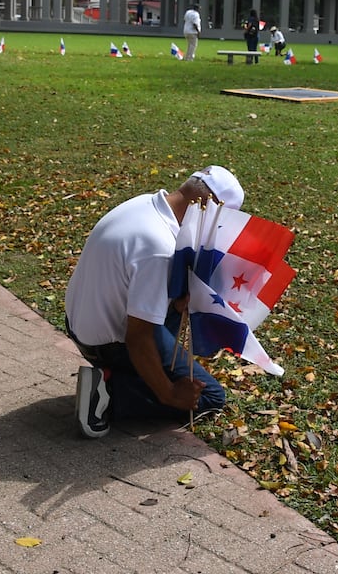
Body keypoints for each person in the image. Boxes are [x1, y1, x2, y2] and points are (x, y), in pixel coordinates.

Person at [64, 165, 244, 438]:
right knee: (210, 397)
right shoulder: (159, 249)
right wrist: (171, 394)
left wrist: (177, 301)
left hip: (80, 321)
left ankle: (130, 376)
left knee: (175, 309)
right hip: (106, 344)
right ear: (207, 207)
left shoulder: (146, 204)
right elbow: (138, 337)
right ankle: (109, 392)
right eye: (221, 222)